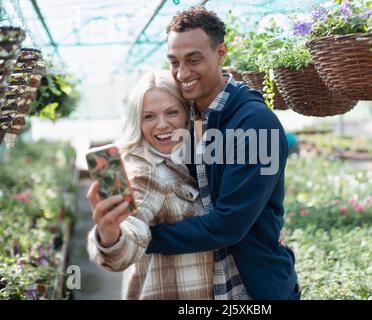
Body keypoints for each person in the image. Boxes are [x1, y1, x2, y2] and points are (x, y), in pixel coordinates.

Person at [145, 6, 300, 300]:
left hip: (250, 289)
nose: (182, 73)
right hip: (201, 283)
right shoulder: (184, 116)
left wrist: (142, 239)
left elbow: (229, 224)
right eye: (174, 62)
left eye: (193, 60)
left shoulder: (256, 125)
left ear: (220, 53)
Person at [86, 70, 214, 299]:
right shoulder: (144, 171)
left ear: (186, 113)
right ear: (138, 121)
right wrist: (111, 235)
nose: (162, 125)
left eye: (172, 112)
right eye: (149, 116)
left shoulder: (195, 156)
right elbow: (131, 232)